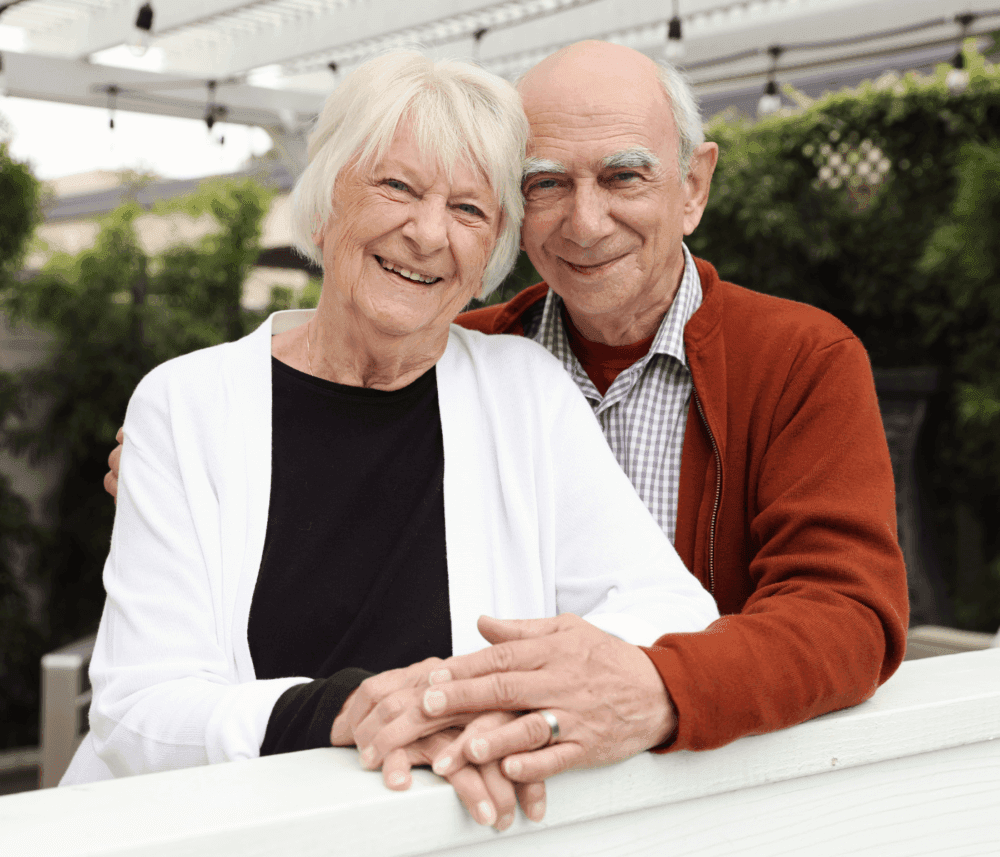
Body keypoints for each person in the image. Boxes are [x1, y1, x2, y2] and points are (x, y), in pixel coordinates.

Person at [105, 40, 909, 820]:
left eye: (466, 207)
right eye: (549, 183)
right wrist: (163, 466)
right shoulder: (205, 404)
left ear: (692, 187)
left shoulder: (533, 377)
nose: (586, 221)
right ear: (323, 202)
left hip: (631, 804)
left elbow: (833, 613)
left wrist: (600, 691)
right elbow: (143, 695)